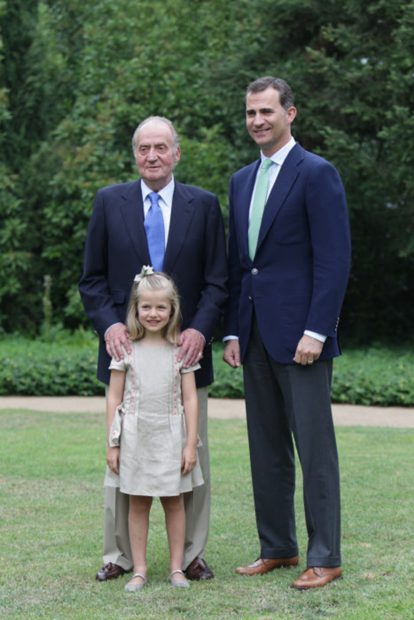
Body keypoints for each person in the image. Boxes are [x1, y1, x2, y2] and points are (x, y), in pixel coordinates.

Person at [79, 115, 227, 582]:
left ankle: (192, 555)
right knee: (123, 454)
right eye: (144, 148)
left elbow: (219, 281)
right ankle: (118, 555)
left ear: (177, 153)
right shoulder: (109, 203)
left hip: (185, 358)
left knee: (192, 456)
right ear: (135, 154)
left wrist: (200, 330)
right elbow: (92, 280)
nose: (152, 156)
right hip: (127, 357)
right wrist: (109, 327)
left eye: (161, 147)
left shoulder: (203, 206)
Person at [223, 77, 351, 590]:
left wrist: (317, 330)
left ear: (290, 113)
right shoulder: (240, 181)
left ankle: (326, 556)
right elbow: (241, 266)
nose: (257, 121)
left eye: (267, 112)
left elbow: (334, 260)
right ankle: (277, 546)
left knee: (314, 448)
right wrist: (232, 330)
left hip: (302, 339)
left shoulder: (317, 174)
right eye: (251, 112)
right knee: (267, 448)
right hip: (253, 336)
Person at [107, 268, 203, 591]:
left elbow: (190, 398)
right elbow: (114, 397)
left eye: (161, 307)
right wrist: (113, 443)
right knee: (138, 503)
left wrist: (191, 444)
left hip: (171, 436)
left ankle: (177, 568)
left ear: (172, 309)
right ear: (135, 309)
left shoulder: (181, 349)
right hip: (136, 436)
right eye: (145, 307)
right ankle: (140, 569)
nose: (153, 313)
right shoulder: (126, 349)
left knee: (173, 502)